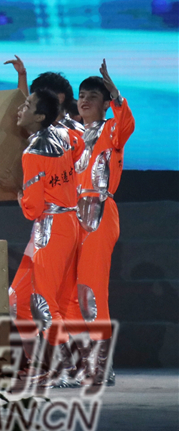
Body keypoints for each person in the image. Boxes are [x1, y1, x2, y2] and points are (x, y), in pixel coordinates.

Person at [11, 89, 85, 387]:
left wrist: (19, 196)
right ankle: (45, 364)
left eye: (28, 105)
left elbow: (32, 208)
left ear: (40, 116)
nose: (21, 108)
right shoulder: (67, 137)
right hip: (68, 223)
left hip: (51, 227)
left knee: (43, 302)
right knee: (18, 299)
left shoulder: (32, 153)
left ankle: (66, 369)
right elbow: (82, 145)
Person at [74, 61, 134, 386]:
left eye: (92, 96)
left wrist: (115, 93)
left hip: (99, 211)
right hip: (69, 217)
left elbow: (126, 122)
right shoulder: (69, 136)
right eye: (81, 95)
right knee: (68, 292)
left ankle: (100, 366)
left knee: (91, 290)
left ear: (105, 103)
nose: (84, 101)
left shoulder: (111, 130)